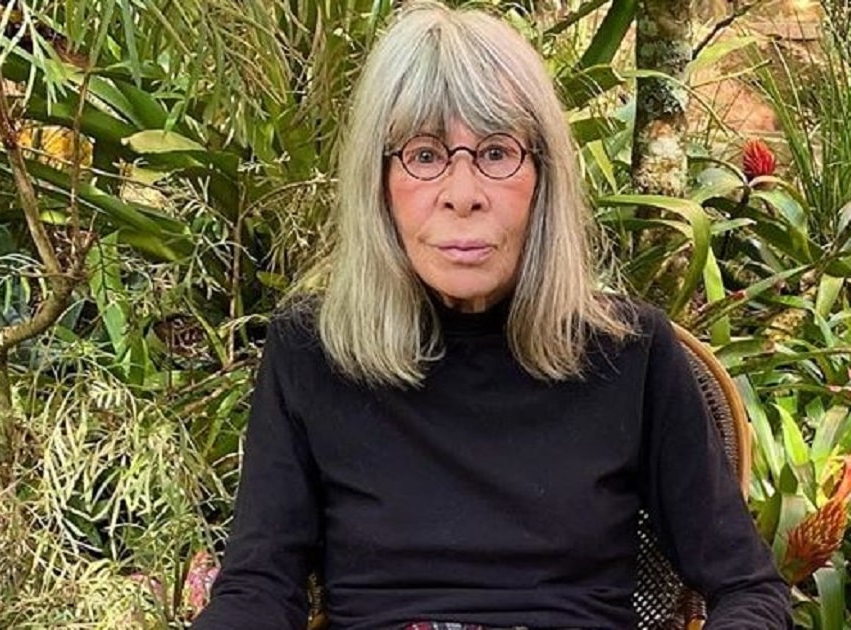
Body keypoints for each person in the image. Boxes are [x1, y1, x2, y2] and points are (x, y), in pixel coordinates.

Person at [191, 2, 790, 629]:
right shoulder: (313, 352)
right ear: (379, 182)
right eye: (425, 156)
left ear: (543, 177)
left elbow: (748, 589)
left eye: (497, 153)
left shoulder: (630, 354)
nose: (463, 195)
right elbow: (260, 588)